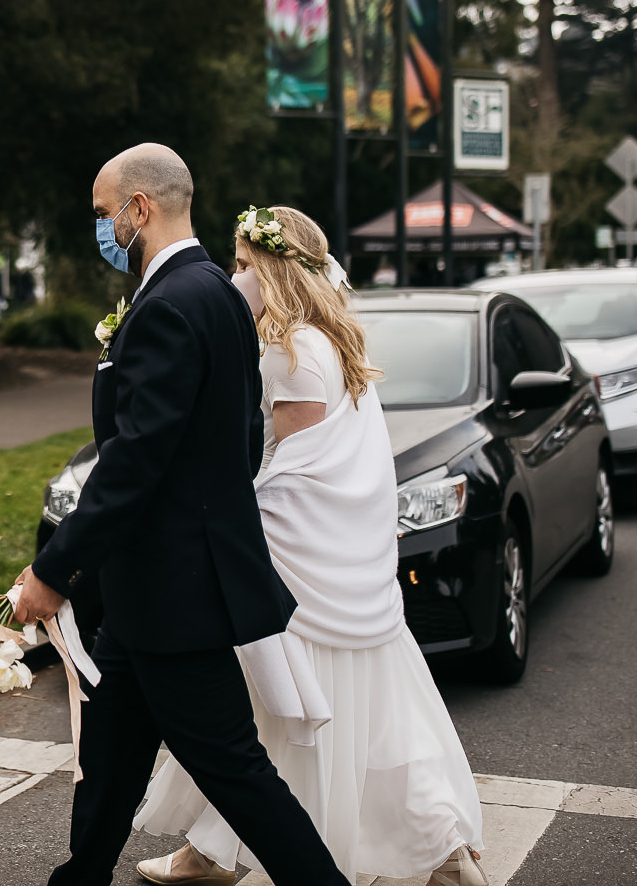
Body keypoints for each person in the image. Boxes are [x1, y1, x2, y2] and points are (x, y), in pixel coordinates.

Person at [10, 145, 350, 886]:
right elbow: (242, 436)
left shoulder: (170, 303)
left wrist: (51, 569)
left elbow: (134, 461)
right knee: (110, 754)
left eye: (104, 213)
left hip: (174, 592)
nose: (101, 229)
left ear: (139, 208)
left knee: (234, 771)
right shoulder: (217, 292)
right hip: (153, 593)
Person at [131, 204, 486, 886]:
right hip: (346, 558)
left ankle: (218, 853)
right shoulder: (329, 336)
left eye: (240, 265)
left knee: (264, 712)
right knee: (368, 719)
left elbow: (293, 467)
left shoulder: (288, 349)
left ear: (270, 267)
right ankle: (438, 853)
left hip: (299, 556)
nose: (233, 277)